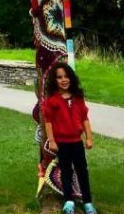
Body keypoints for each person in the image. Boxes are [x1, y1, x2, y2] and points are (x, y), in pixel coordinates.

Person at [42, 61, 97, 214]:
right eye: (59, 77)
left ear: (71, 78)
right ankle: (69, 201)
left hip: (77, 143)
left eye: (66, 76)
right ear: (55, 80)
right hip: (62, 144)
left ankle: (87, 203)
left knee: (82, 172)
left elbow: (85, 119)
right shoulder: (52, 101)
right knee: (66, 171)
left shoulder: (78, 98)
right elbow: (49, 122)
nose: (63, 80)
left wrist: (89, 138)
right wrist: (52, 141)